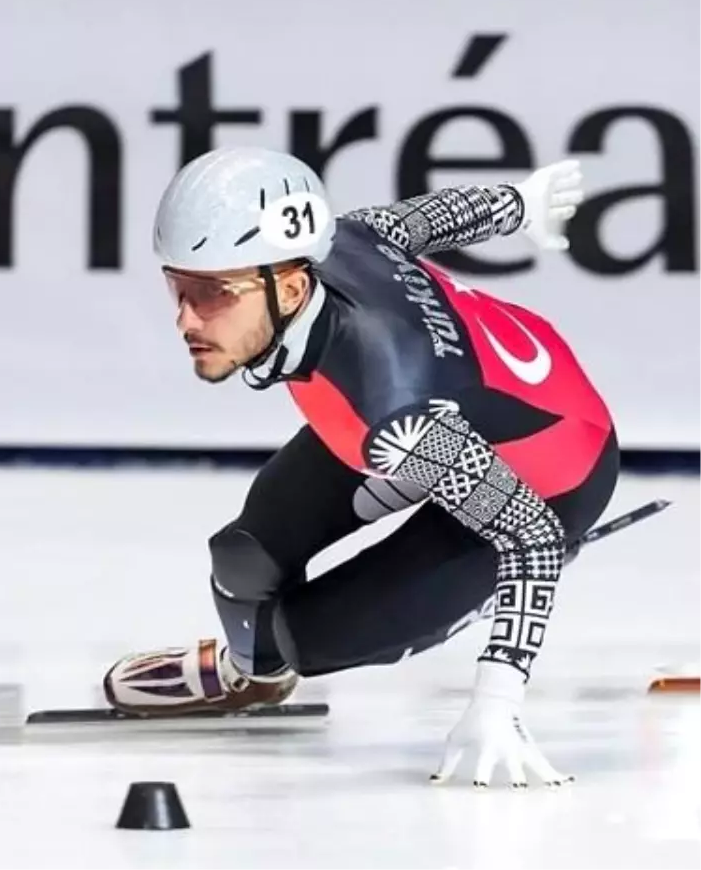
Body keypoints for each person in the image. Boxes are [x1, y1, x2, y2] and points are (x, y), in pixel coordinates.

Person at [103, 147, 619, 789]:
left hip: (554, 476)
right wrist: (523, 203)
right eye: (177, 287)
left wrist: (497, 701)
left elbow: (530, 534)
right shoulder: (339, 240)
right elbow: (422, 220)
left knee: (311, 639)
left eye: (212, 294)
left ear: (289, 287)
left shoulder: (394, 415)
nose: (185, 318)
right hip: (448, 405)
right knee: (244, 556)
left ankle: (467, 597)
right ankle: (254, 674)